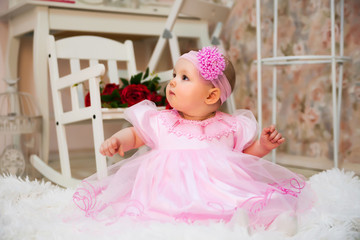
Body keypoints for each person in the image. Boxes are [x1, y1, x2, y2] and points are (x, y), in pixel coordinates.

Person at [73, 47, 313, 235]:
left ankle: (270, 223)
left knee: (243, 201)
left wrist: (263, 146)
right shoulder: (162, 120)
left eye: (185, 78)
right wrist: (118, 140)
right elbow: (136, 135)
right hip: (168, 191)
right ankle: (232, 225)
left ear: (211, 95)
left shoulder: (230, 125)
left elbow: (243, 158)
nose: (173, 82)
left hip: (219, 188)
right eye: (175, 75)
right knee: (161, 212)